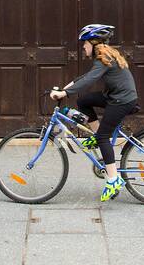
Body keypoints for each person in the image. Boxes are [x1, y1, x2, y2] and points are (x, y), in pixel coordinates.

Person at [51, 23, 138, 202]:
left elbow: (90, 79)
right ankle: (98, 137)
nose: (83, 47)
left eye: (85, 43)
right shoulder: (105, 56)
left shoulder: (103, 56)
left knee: (103, 137)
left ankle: (113, 180)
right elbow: (85, 77)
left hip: (121, 101)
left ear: (93, 43)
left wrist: (65, 93)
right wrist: (64, 89)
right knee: (84, 101)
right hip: (115, 96)